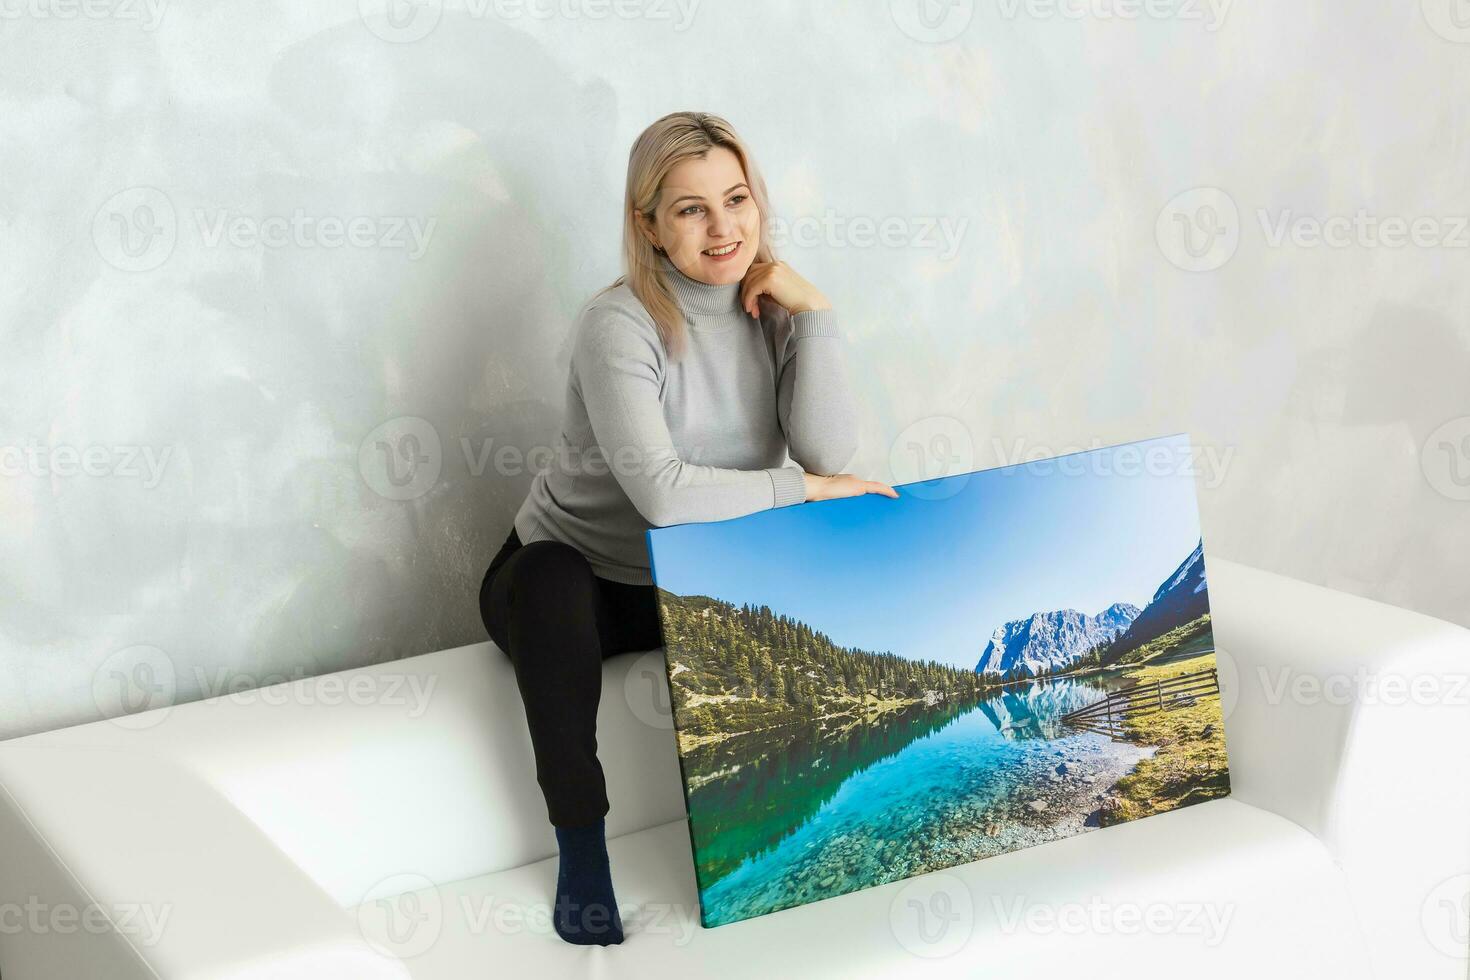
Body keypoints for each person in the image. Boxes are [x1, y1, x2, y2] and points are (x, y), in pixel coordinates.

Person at [477, 110, 898, 946]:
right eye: (691, 209)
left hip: (688, 579)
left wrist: (813, 311)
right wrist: (806, 489)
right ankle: (582, 854)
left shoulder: (770, 309)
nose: (722, 227)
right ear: (650, 227)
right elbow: (664, 496)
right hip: (576, 581)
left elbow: (827, 447)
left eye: (736, 199)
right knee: (552, 579)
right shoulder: (619, 325)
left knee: (832, 544)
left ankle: (822, 829)